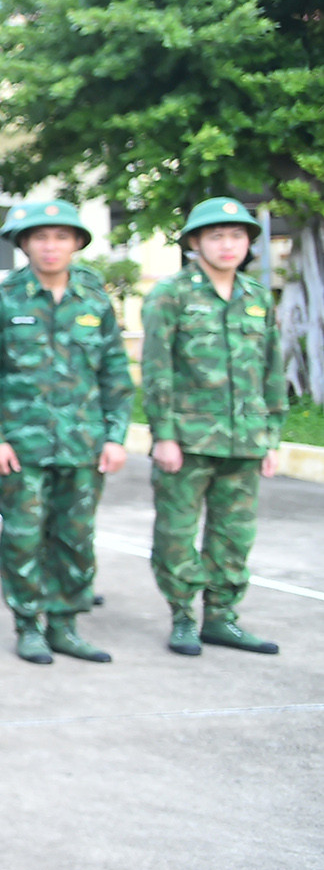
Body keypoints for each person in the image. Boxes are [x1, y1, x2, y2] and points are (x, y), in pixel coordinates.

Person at [0, 200, 133, 665]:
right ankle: (28, 624)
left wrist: (115, 435)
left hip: (82, 444)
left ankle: (65, 623)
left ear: (77, 243)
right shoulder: (2, 300)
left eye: (61, 237)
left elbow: (115, 374)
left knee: (76, 537)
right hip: (21, 447)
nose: (50, 246)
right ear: (23, 244)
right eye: (40, 237)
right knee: (23, 536)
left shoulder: (95, 300)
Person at [141, 197, 285, 657]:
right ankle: (183, 615)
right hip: (187, 439)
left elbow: (272, 371)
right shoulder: (171, 295)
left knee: (234, 534)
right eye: (217, 236)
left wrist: (272, 437)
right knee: (177, 532)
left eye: (237, 236)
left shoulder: (258, 297)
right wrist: (163, 433)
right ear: (195, 242)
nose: (228, 245)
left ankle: (221, 617)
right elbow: (157, 368)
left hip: (245, 439)